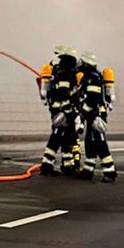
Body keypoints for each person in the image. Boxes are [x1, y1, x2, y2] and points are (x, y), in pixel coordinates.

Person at [76, 51, 116, 182]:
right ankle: (88, 169)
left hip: (95, 114)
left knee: (100, 142)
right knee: (90, 141)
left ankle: (110, 171)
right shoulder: (92, 75)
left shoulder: (91, 77)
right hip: (93, 115)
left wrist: (84, 109)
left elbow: (92, 98)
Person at [41, 45, 80, 176]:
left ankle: (67, 164)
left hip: (58, 108)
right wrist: (68, 108)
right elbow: (64, 93)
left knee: (67, 136)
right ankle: (47, 164)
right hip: (63, 110)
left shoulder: (57, 70)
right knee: (58, 135)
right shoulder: (65, 73)